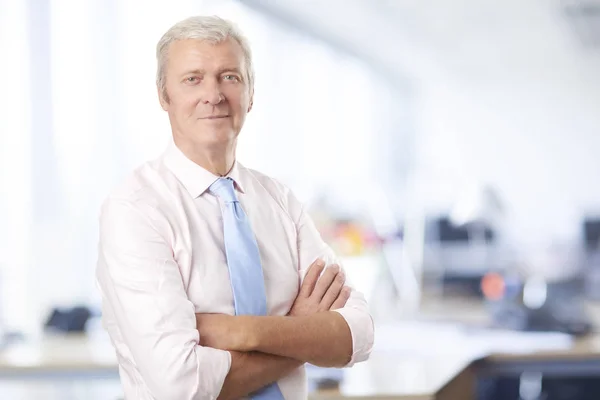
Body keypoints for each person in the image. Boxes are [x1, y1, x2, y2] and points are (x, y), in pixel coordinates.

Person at [96, 15, 374, 400]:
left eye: (230, 76)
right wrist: (301, 331)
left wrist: (245, 332)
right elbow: (183, 385)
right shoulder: (136, 210)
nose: (214, 94)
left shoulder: (280, 201)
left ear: (251, 92)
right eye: (193, 78)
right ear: (164, 95)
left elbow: (358, 333)